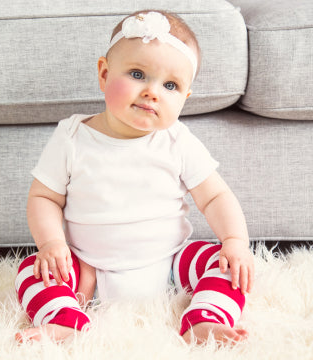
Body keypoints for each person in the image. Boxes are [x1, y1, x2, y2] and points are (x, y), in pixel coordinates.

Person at [15, 10, 254, 345]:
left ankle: (204, 317)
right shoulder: (71, 137)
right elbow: (44, 197)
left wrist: (235, 241)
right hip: (88, 270)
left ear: (184, 99)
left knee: (227, 264)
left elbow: (215, 196)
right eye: (138, 73)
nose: (152, 92)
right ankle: (65, 318)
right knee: (33, 270)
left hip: (171, 263)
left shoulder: (177, 141)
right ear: (103, 73)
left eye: (170, 85)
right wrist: (51, 244)